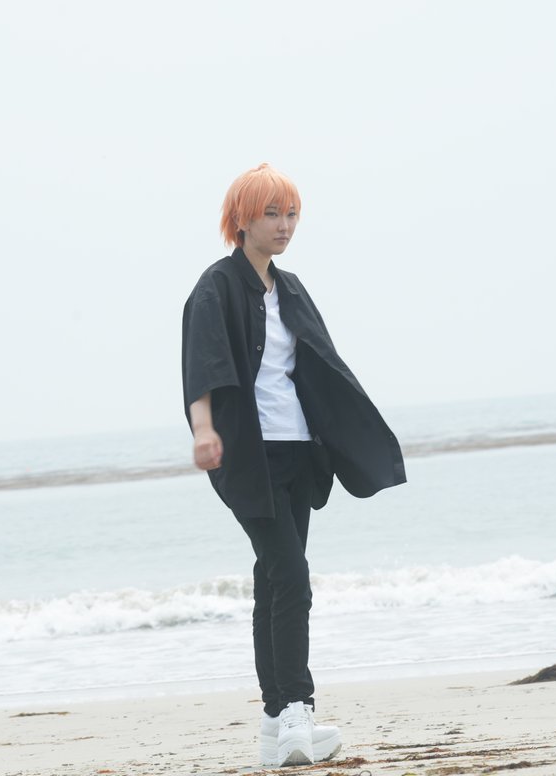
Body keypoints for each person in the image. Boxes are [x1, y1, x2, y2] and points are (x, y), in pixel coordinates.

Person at [181, 163, 406, 767]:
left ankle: (273, 722)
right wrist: (203, 430)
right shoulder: (216, 286)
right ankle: (297, 709)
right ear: (242, 219)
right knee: (292, 576)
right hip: (246, 457)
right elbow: (202, 365)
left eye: (292, 215)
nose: (284, 226)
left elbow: (322, 366)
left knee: (274, 580)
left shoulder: (292, 288)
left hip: (299, 453)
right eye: (272, 214)